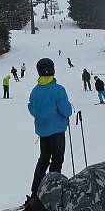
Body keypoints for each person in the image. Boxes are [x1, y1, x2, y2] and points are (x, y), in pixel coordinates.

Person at [27, 58, 73, 198]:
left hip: (43, 132)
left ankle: (35, 191)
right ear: (52, 70)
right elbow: (66, 110)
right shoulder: (58, 90)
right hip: (57, 131)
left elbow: (32, 109)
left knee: (44, 159)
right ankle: (52, 191)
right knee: (57, 159)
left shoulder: (35, 91)